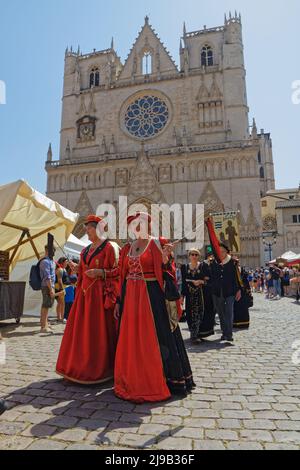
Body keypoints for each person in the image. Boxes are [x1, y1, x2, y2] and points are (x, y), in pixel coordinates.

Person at [114, 212, 195, 403]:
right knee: (132, 338)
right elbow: (122, 276)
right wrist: (119, 301)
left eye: (140, 223)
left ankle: (165, 379)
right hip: (131, 299)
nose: (137, 226)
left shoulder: (157, 243)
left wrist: (166, 259)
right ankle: (132, 377)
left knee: (157, 337)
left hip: (151, 298)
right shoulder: (127, 248)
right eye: (134, 224)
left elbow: (168, 273)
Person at [56, 215, 119, 384]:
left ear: (97, 229)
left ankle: (99, 369)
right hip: (84, 298)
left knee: (97, 332)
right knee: (81, 332)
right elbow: (83, 271)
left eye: (89, 229)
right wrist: (77, 269)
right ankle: (78, 367)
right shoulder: (85, 250)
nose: (87, 232)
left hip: (100, 298)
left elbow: (118, 272)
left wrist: (101, 273)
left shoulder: (109, 248)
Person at [181, 249, 205, 343]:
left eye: (196, 254)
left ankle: (195, 335)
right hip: (189, 294)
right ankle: (193, 333)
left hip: (200, 293)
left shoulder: (203, 266)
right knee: (190, 314)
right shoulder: (184, 267)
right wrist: (182, 296)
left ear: (198, 256)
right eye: (192, 254)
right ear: (189, 256)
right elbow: (183, 282)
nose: (194, 256)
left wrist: (201, 281)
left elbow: (208, 279)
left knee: (199, 313)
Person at [198, 250, 216, 340]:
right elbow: (203, 276)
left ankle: (209, 330)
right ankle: (202, 332)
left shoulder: (214, 264)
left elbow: (215, 276)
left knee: (211, 311)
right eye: (211, 256)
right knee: (204, 311)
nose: (211, 258)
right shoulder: (203, 265)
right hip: (205, 291)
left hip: (212, 290)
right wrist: (207, 278)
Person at [39, 245, 57, 334]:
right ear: (47, 250)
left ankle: (45, 323)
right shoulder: (45, 262)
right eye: (52, 250)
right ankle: (43, 326)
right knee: (45, 305)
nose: (54, 252)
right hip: (47, 286)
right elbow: (47, 277)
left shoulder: (51, 261)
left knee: (47, 305)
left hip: (50, 285)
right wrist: (51, 289)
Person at [55, 257, 69, 323]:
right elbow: (59, 280)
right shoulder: (60, 269)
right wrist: (62, 289)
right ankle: (60, 318)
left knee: (61, 303)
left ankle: (60, 317)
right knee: (61, 303)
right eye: (66, 261)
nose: (67, 263)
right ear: (62, 262)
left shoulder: (64, 269)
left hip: (62, 287)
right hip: (59, 288)